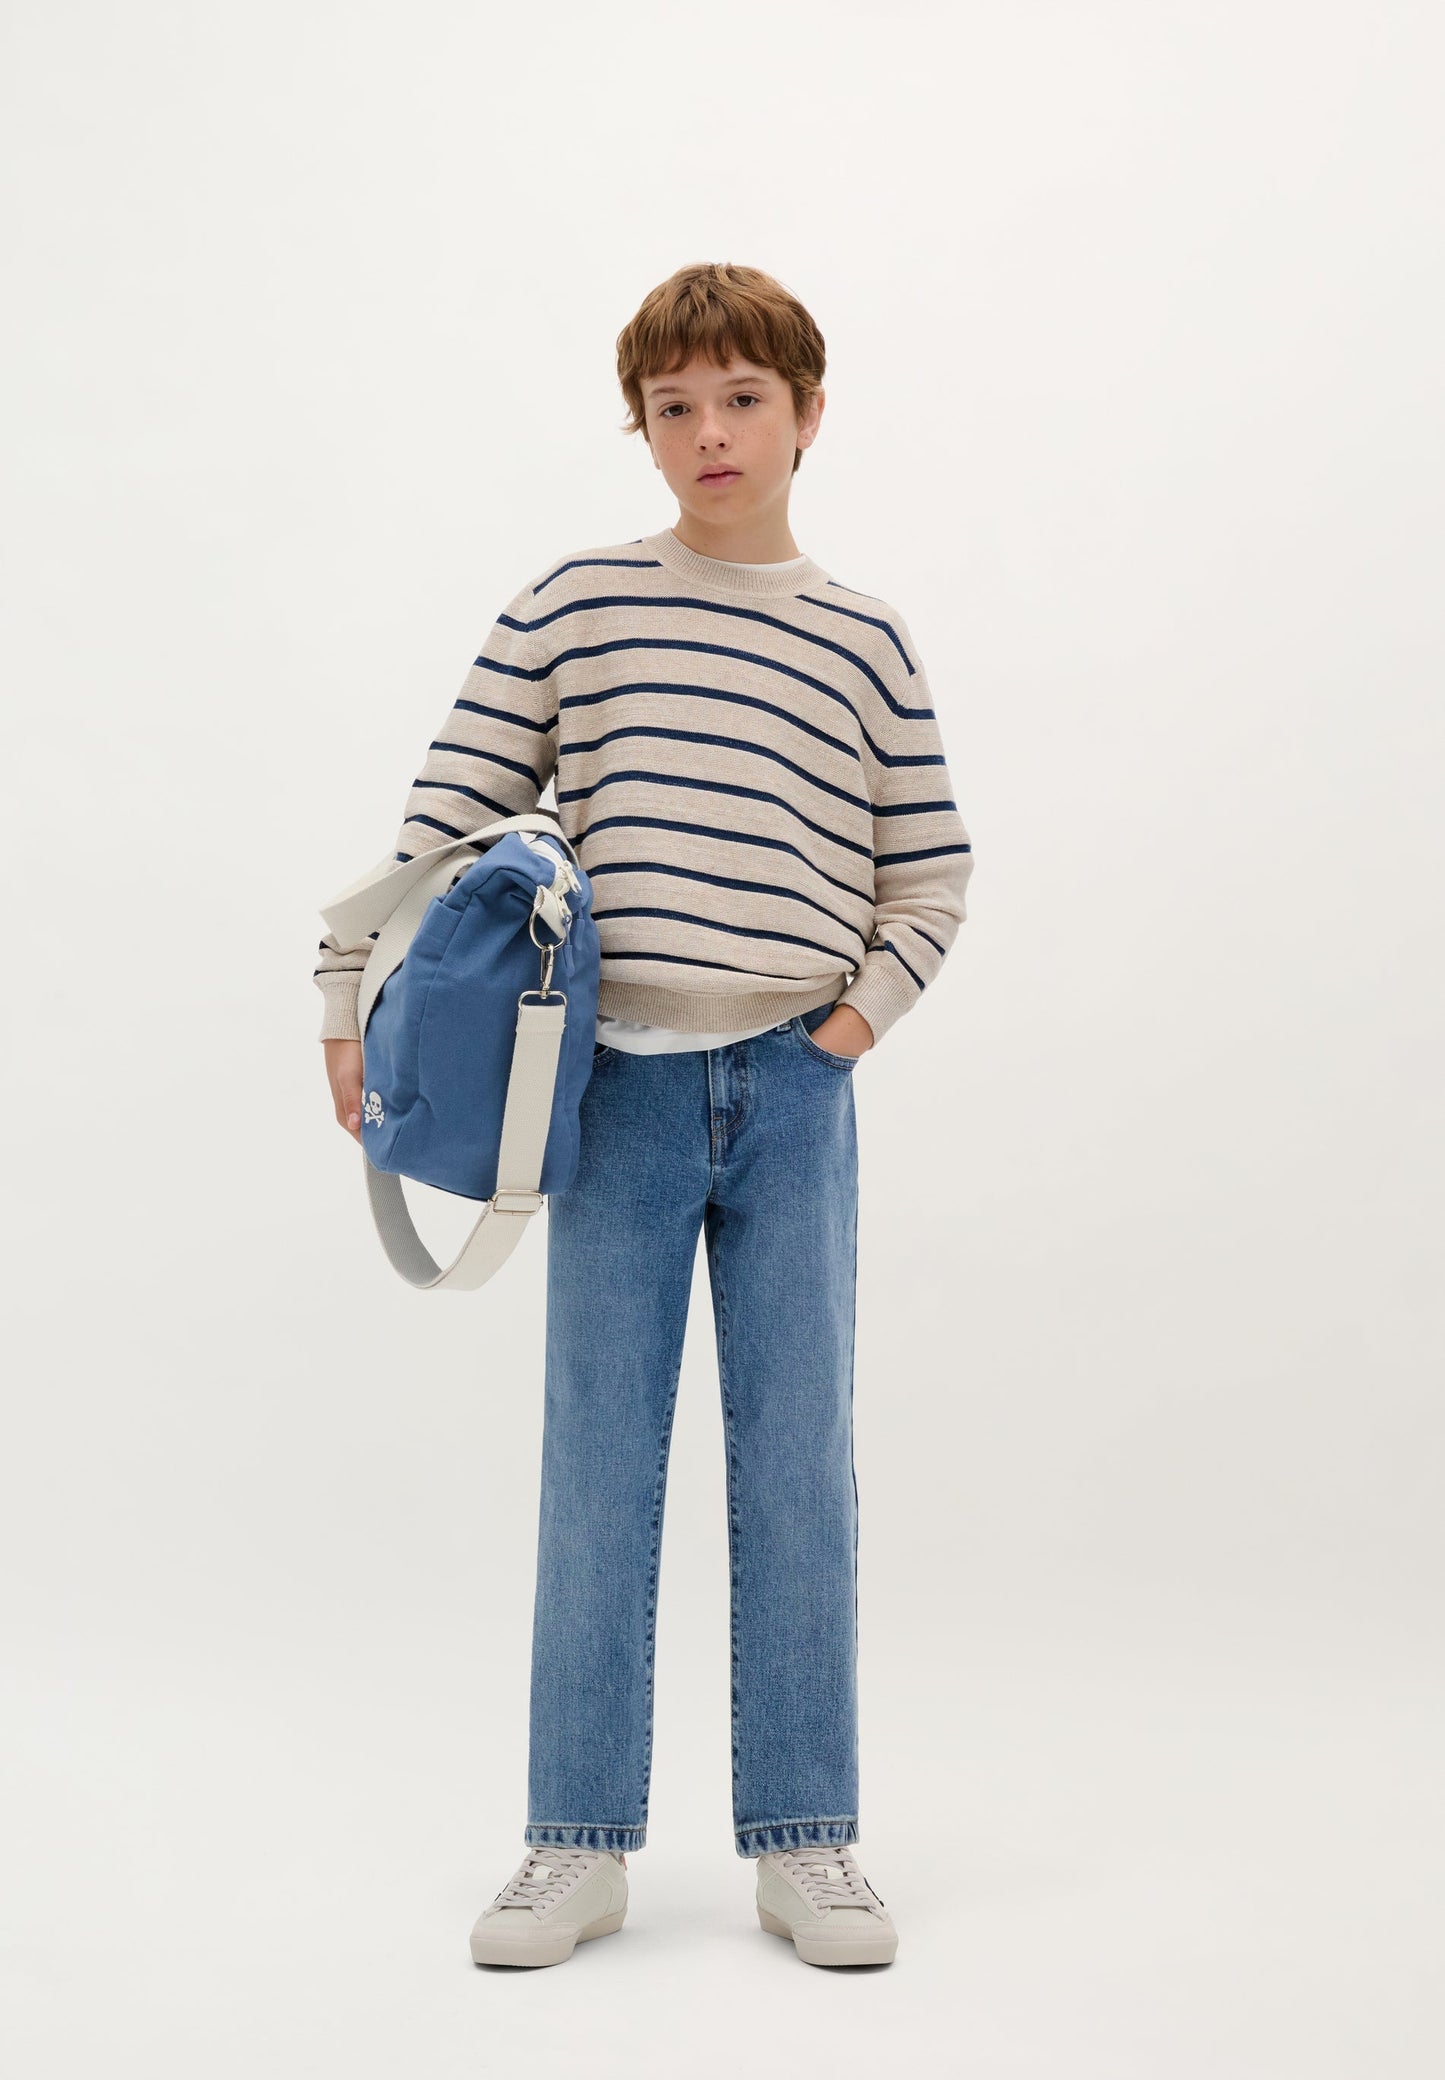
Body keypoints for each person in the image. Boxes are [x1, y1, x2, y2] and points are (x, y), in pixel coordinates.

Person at [315, 262, 974, 1970]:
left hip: (795, 1093)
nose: (708, 434)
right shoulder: (577, 605)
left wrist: (845, 1032)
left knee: (797, 1470)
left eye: (742, 399)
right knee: (597, 1465)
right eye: (672, 407)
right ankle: (575, 1843)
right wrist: (343, 995)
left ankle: (807, 1842)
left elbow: (929, 874)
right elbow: (441, 826)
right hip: (605, 1091)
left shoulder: (863, 637)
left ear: (808, 413)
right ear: (643, 428)